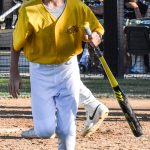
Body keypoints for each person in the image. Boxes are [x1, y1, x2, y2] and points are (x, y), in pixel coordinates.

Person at [9, 0, 107, 149]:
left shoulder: (77, 7)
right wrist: (14, 73)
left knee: (67, 130)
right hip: (40, 72)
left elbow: (97, 29)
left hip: (68, 69)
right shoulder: (29, 9)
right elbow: (16, 44)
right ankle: (45, 125)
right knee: (45, 131)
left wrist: (96, 37)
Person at [124, 0, 149, 73]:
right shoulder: (120, 4)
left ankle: (137, 66)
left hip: (134, 32)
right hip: (121, 29)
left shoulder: (141, 6)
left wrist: (136, 8)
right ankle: (125, 66)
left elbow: (142, 22)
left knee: (136, 34)